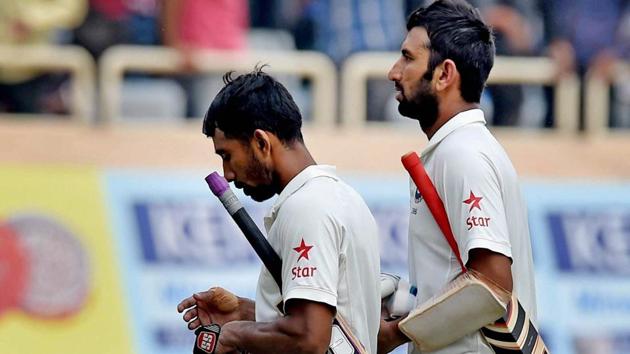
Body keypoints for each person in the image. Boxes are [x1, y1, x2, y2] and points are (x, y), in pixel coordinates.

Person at [177, 68, 381, 354]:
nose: (228, 174)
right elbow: (333, 326)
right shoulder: (341, 196)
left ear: (261, 143)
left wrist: (236, 334)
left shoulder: (308, 208)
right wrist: (246, 313)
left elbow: (309, 338)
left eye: (227, 155)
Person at [378, 1, 537, 353]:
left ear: (444, 74)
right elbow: (457, 282)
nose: (394, 71)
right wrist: (400, 302)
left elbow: (492, 283)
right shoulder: (457, 149)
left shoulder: (463, 154)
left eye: (407, 57)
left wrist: (396, 332)